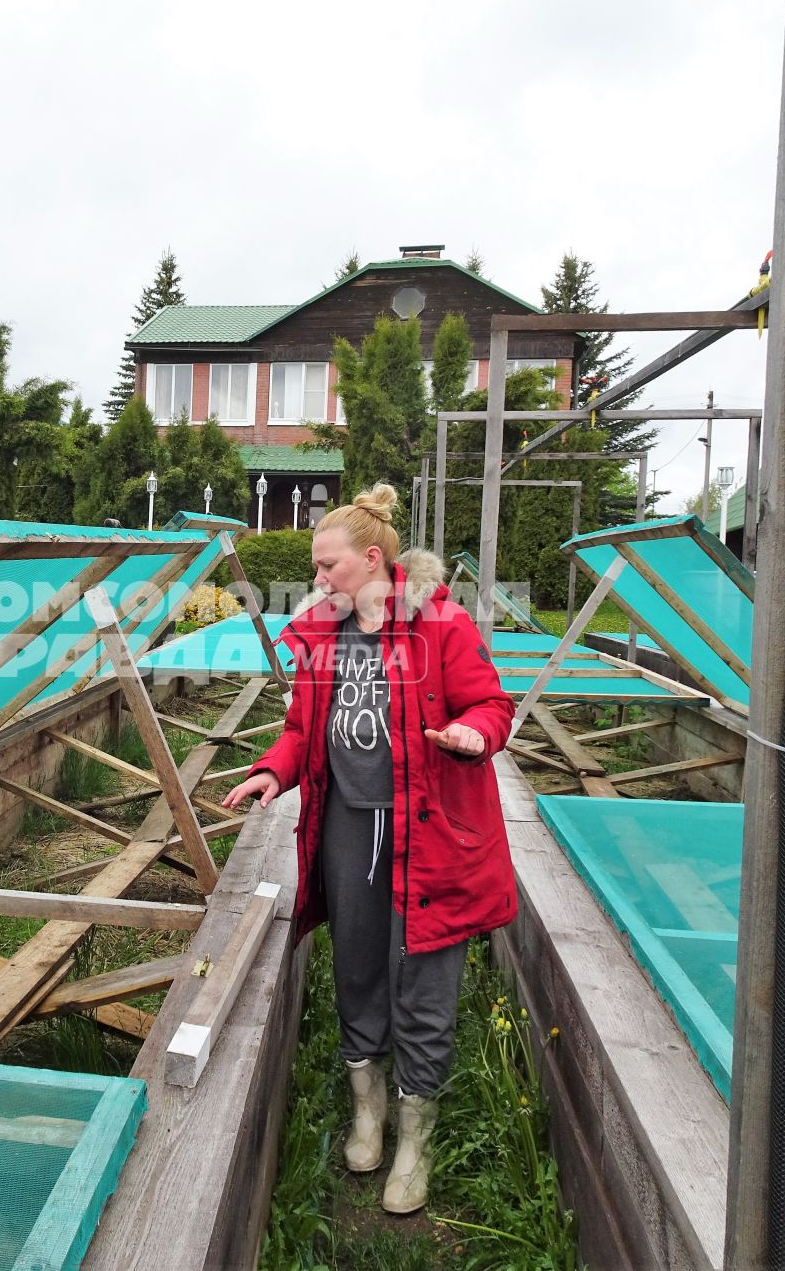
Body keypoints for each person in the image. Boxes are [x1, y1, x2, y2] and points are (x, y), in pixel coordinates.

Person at [222, 483, 516, 1214]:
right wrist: (272, 769)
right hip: (347, 825)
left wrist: (476, 733)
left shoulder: (440, 627)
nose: (317, 580)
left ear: (372, 559)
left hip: (431, 830)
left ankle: (415, 1134)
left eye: (326, 566)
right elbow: (300, 728)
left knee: (422, 980)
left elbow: (491, 703)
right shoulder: (322, 634)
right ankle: (368, 1111)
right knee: (356, 966)